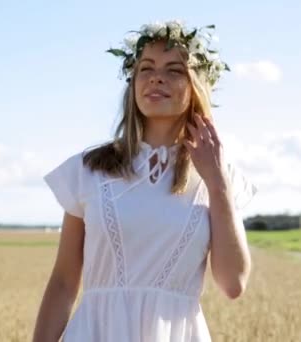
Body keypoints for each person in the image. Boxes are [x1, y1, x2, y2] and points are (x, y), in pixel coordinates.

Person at [32, 20, 258, 342]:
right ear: (133, 82)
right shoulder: (88, 170)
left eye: (174, 70)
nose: (156, 77)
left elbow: (233, 283)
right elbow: (64, 282)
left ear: (197, 86)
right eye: (145, 68)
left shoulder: (219, 176)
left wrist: (217, 181)